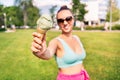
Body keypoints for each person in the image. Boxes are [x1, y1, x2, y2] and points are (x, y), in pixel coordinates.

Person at [31, 5, 90, 80]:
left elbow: (79, 62)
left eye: (68, 19)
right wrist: (41, 52)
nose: (65, 23)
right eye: (60, 20)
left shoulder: (76, 38)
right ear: (58, 23)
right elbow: (48, 53)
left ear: (73, 19)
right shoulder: (56, 42)